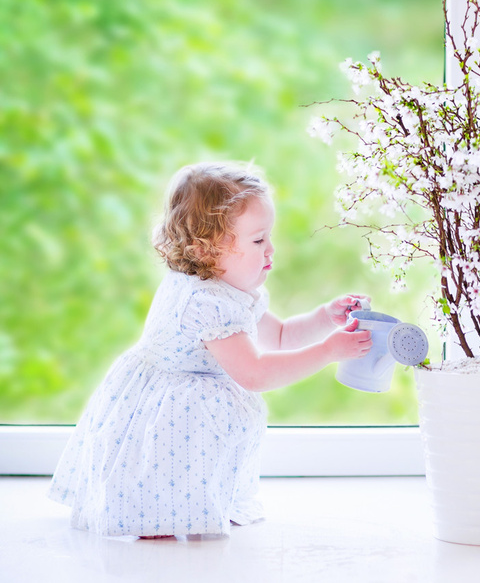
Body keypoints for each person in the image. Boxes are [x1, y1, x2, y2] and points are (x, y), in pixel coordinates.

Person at [47, 162, 372, 538]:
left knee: (195, 465)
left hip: (188, 400)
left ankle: (198, 508)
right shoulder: (205, 302)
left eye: (268, 237)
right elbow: (254, 373)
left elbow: (280, 335)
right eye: (257, 240)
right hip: (168, 409)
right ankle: (157, 528)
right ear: (206, 248)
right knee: (164, 473)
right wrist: (329, 351)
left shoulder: (230, 289)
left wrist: (323, 318)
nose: (271, 249)